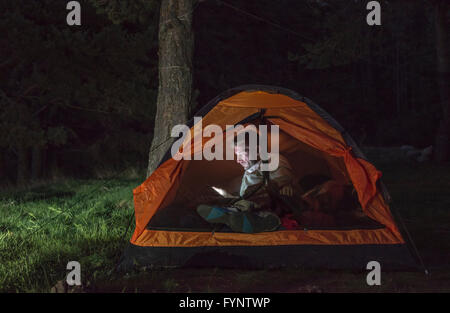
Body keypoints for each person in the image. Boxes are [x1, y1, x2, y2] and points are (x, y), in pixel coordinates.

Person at [197, 131, 306, 233]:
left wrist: (253, 194)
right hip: (254, 207)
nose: (238, 160)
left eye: (241, 154)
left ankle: (248, 215)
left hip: (276, 207)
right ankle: (233, 213)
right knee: (227, 198)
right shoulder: (248, 172)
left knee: (257, 194)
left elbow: (282, 183)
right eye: (236, 155)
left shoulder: (274, 160)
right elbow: (244, 194)